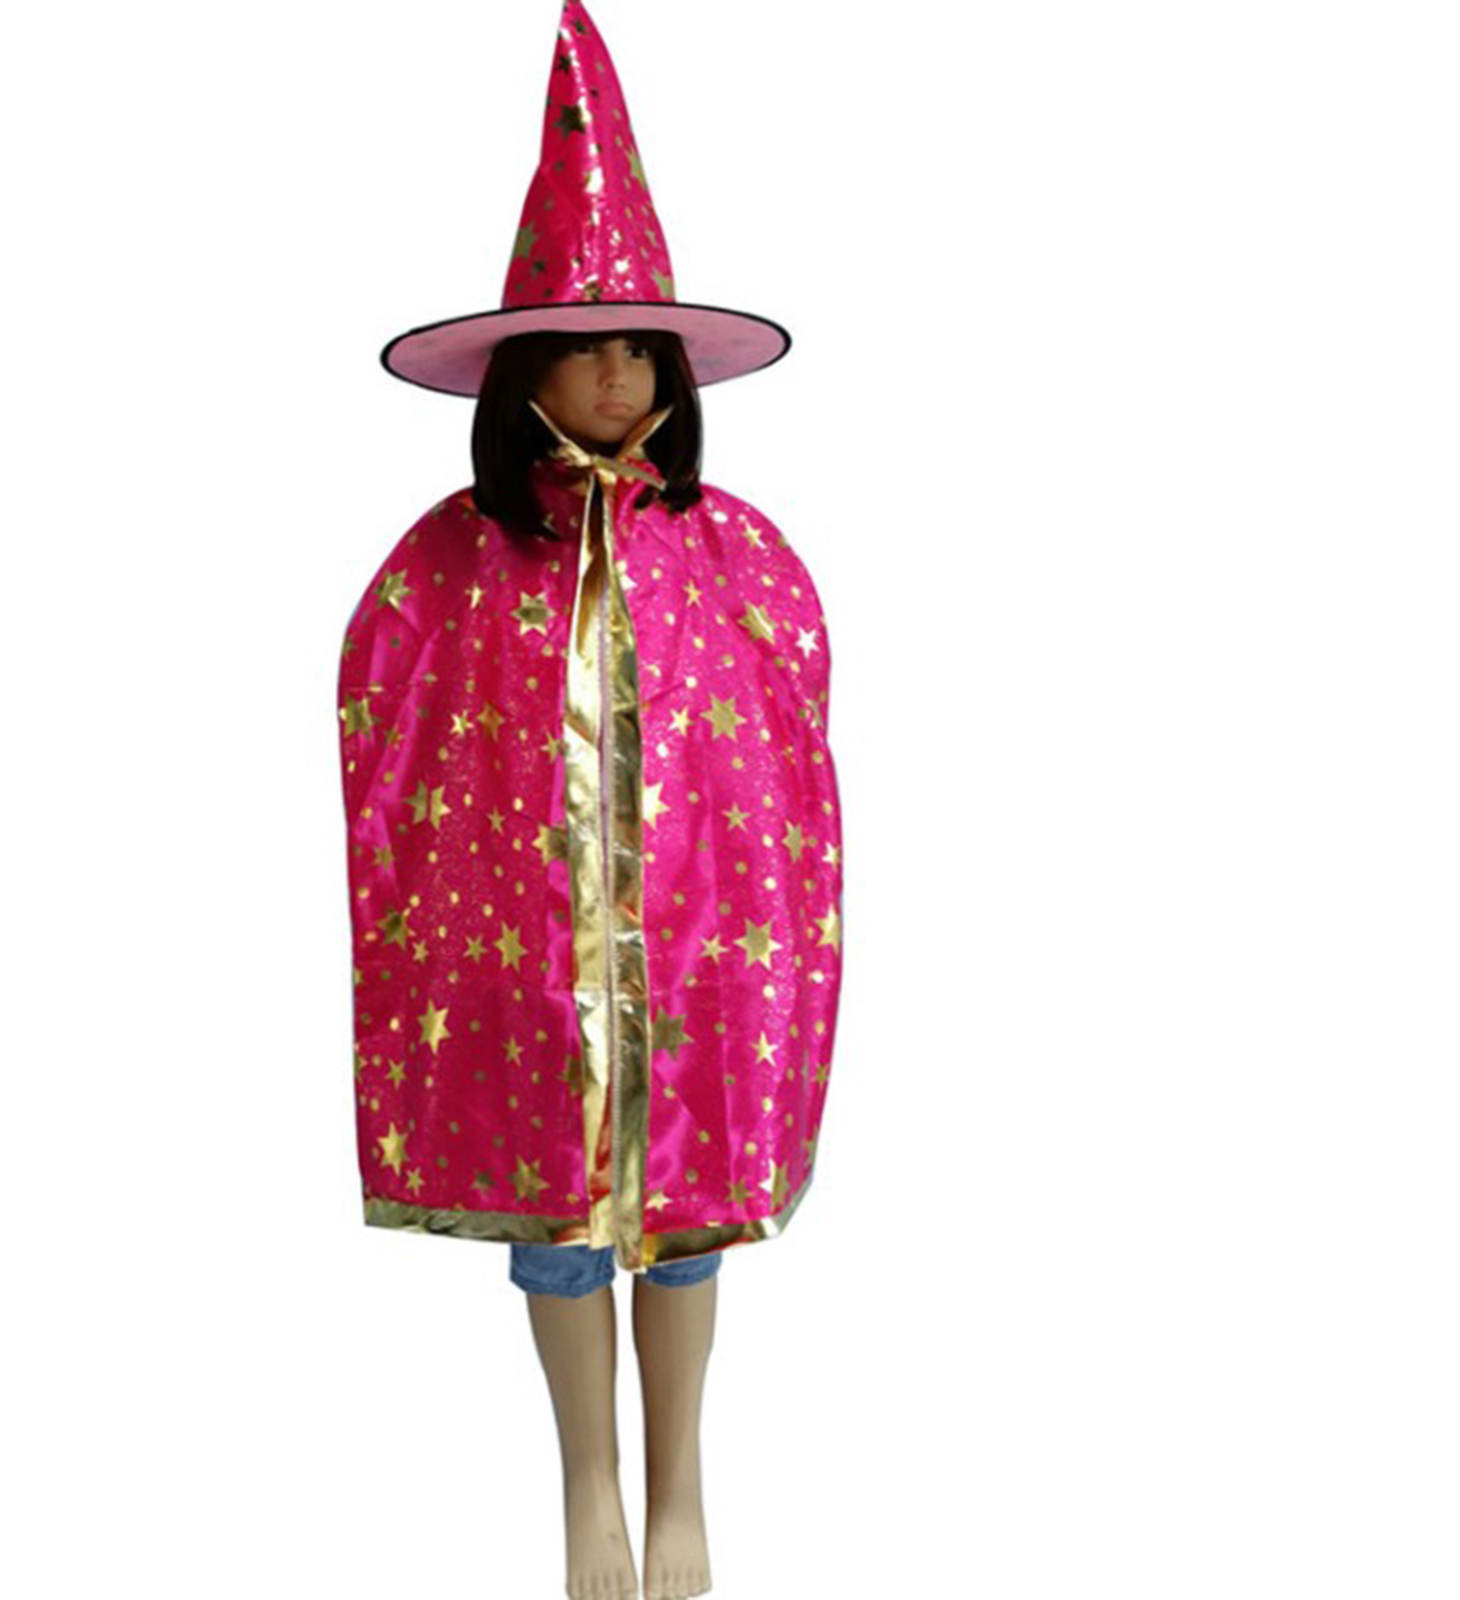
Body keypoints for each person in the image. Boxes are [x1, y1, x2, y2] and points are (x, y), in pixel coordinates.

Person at [337, 7, 842, 1597]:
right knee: (557, 1230)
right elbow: (390, 751)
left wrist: (754, 924)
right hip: (523, 965)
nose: (619, 370)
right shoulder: (447, 559)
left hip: (696, 957)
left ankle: (682, 1487)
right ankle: (591, 1491)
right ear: (523, 370)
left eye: (642, 347)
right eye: (585, 342)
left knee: (685, 1222)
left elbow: (789, 763)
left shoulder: (738, 551)